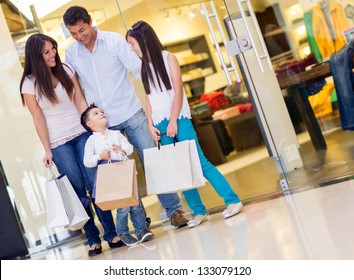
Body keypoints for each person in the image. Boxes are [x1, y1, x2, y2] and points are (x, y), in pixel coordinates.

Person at [63, 6, 189, 228]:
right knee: (120, 172)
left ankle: (174, 210)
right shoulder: (72, 53)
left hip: (130, 112)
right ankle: (139, 220)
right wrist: (89, 122)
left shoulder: (114, 42)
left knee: (153, 162)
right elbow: (77, 89)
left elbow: (140, 72)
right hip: (103, 125)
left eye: (81, 30)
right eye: (73, 33)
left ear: (90, 21)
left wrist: (161, 106)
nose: (79, 37)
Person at [126, 21, 244, 228]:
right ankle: (198, 212)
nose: (132, 49)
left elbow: (178, 91)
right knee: (180, 169)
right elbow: (148, 96)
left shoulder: (168, 57)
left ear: (144, 41)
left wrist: (173, 121)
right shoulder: (143, 66)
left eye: (133, 44)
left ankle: (233, 200)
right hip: (160, 123)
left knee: (199, 162)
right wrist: (151, 124)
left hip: (179, 118)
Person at [19, 34, 124, 257]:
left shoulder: (66, 69)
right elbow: (38, 118)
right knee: (77, 191)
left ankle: (111, 233)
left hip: (82, 135)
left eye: (53, 49)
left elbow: (79, 100)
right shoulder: (29, 84)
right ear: (36, 57)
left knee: (96, 185)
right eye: (46, 52)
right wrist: (47, 149)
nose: (52, 54)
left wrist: (93, 127)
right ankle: (93, 239)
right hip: (59, 143)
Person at [81, 104, 154, 245]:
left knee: (136, 202)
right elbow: (87, 162)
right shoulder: (91, 141)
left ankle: (141, 231)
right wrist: (100, 156)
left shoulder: (116, 134)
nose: (101, 113)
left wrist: (122, 149)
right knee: (124, 206)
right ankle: (123, 232)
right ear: (90, 124)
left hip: (126, 173)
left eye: (101, 111)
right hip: (111, 177)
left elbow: (129, 147)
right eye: (96, 113)